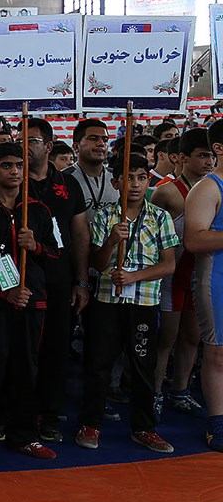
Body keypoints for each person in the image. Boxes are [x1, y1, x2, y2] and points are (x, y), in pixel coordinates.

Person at [0, 143, 59, 463]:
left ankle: (24, 435)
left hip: (32, 303)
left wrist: (35, 247)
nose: (15, 171)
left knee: (27, 370)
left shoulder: (39, 210)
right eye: (7, 165)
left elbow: (58, 256)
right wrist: (3, 292)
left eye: (19, 165)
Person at [77, 153, 178, 454]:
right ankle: (91, 423)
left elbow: (169, 264)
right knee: (99, 364)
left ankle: (144, 427)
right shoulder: (105, 216)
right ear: (115, 182)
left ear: (148, 181)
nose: (135, 184)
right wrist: (110, 242)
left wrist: (135, 276)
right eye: (128, 177)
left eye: (141, 177)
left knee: (143, 365)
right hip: (107, 300)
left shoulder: (160, 217)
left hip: (144, 302)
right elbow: (96, 263)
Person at [24, 118, 91, 443]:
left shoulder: (69, 185)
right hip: (20, 280)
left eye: (33, 141)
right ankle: (17, 412)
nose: (26, 147)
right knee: (20, 349)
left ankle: (48, 414)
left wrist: (82, 281)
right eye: (21, 140)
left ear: (49, 146)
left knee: (55, 348)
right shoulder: (11, 179)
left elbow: (80, 235)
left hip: (59, 279)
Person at [152, 129, 214, 417]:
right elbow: (149, 233)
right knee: (166, 338)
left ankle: (180, 389)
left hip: (199, 274)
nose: (209, 162)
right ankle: (154, 392)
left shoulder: (215, 189)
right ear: (182, 158)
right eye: (202, 156)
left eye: (212, 156)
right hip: (171, 276)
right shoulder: (166, 191)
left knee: (192, 336)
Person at [182, 119, 223, 452]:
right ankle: (218, 422)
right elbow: (194, 240)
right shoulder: (208, 188)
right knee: (218, 353)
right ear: (219, 148)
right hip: (217, 278)